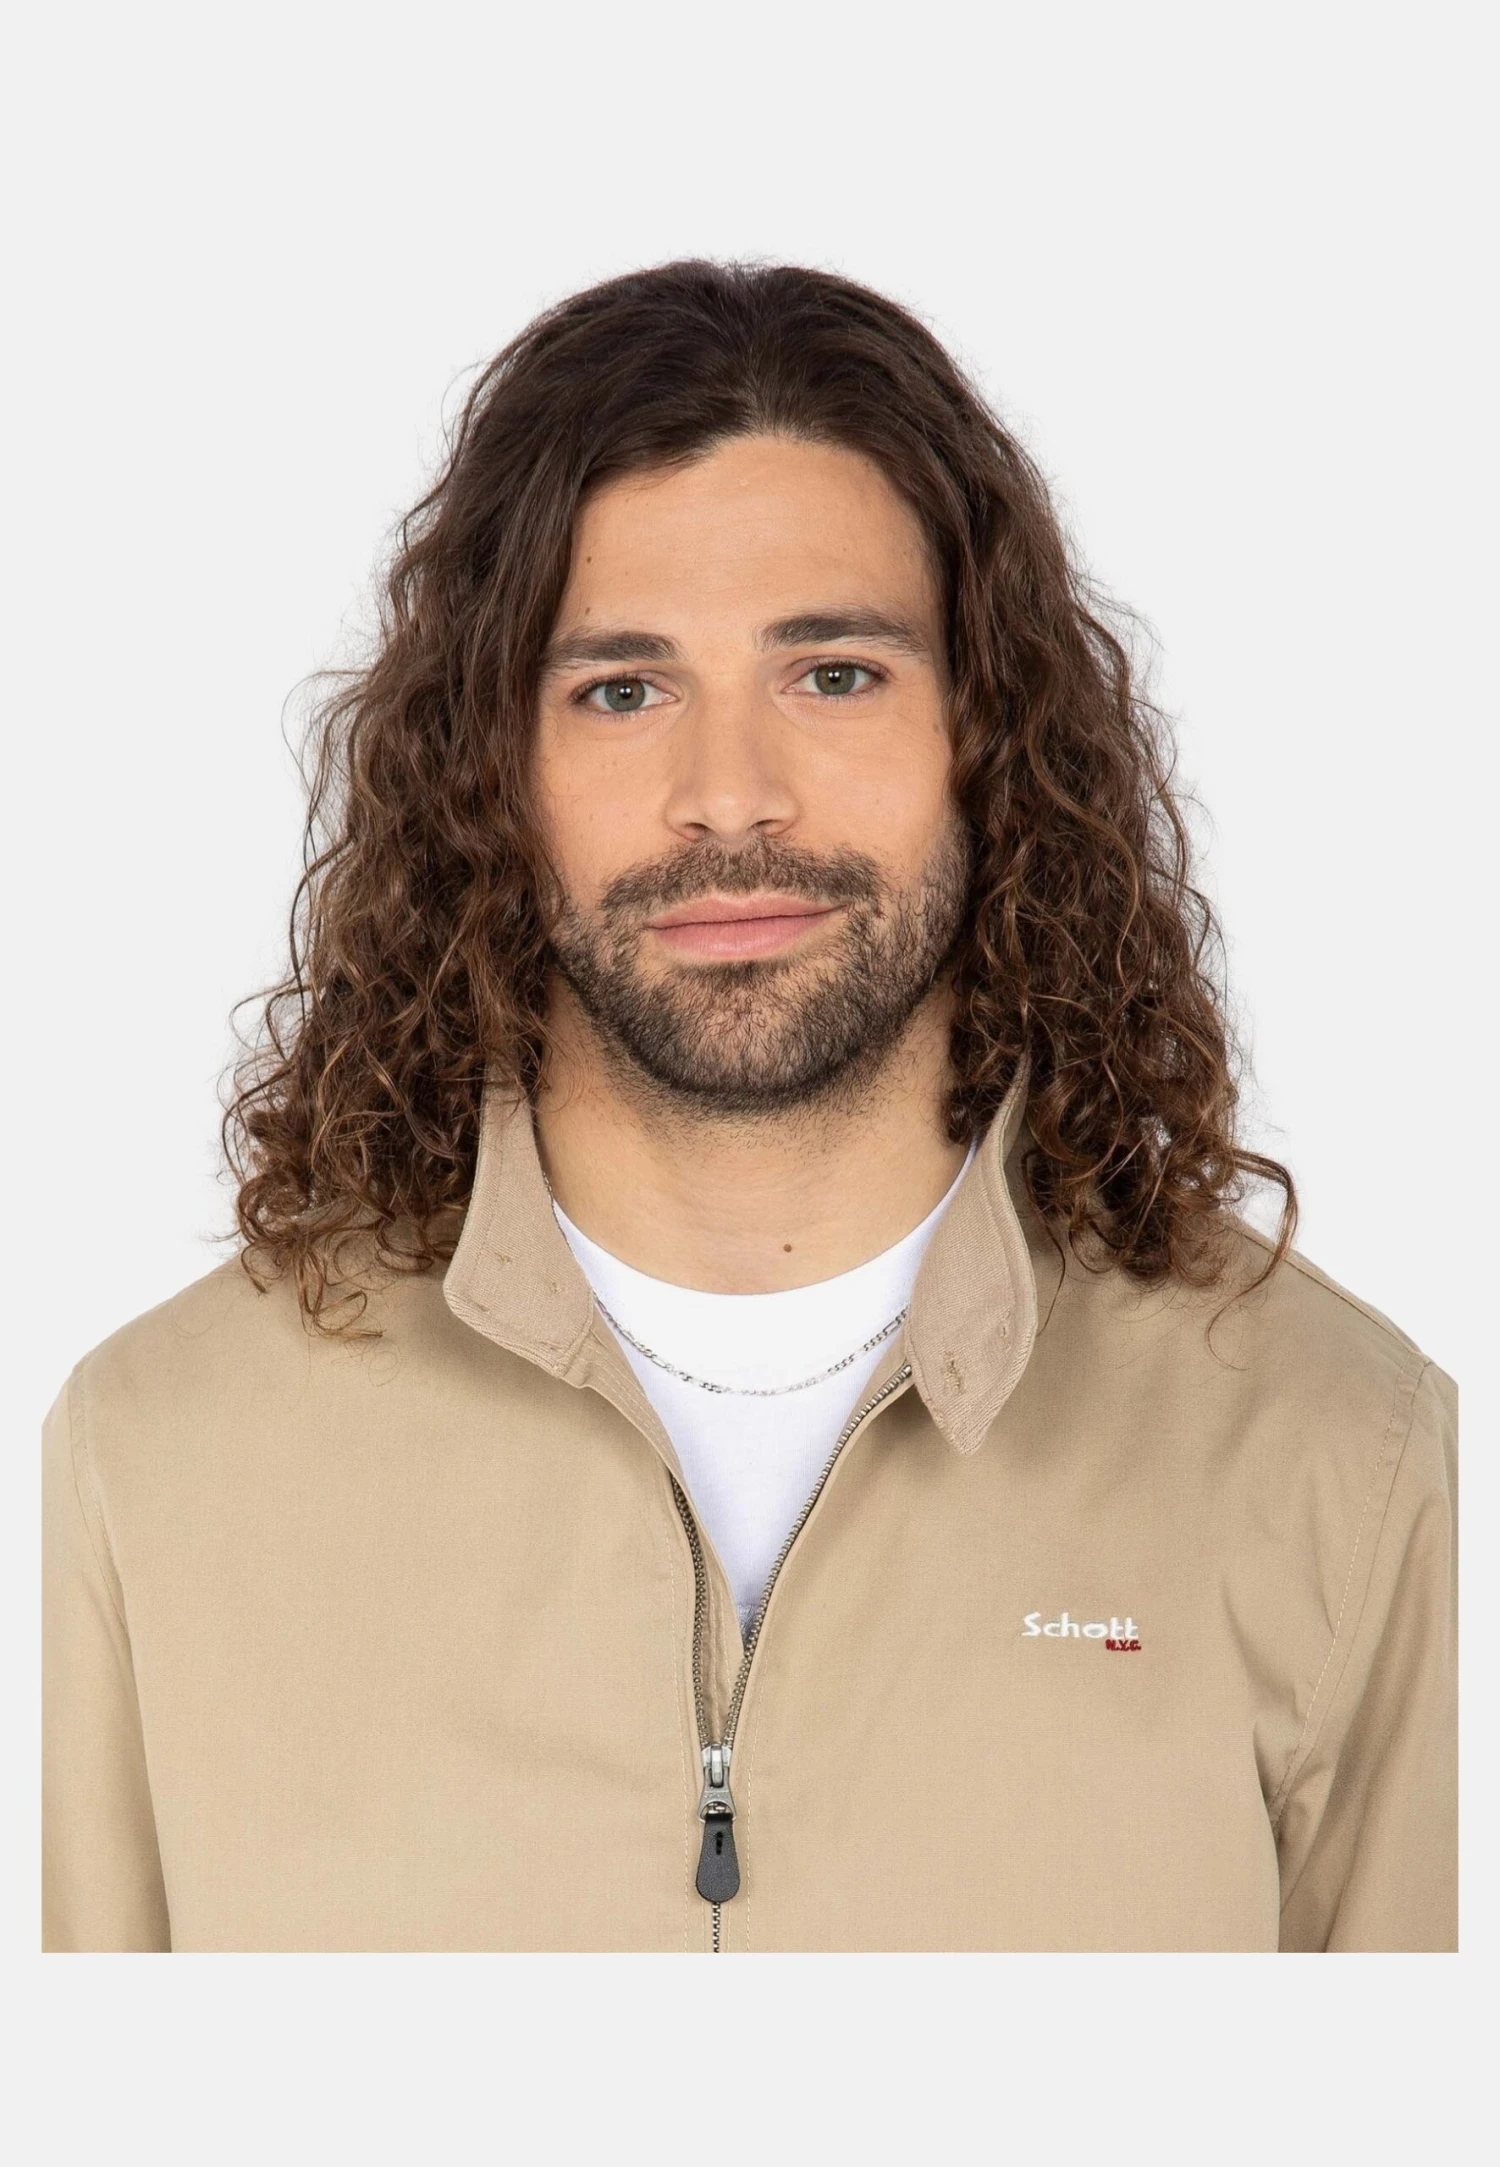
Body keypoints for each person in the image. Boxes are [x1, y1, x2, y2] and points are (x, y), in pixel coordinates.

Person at [42, 260, 1457, 1953]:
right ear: (489, 768)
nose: (729, 798)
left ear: (990, 733)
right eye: (621, 689)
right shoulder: (157, 1463)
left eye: (834, 674)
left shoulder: (1338, 1453)